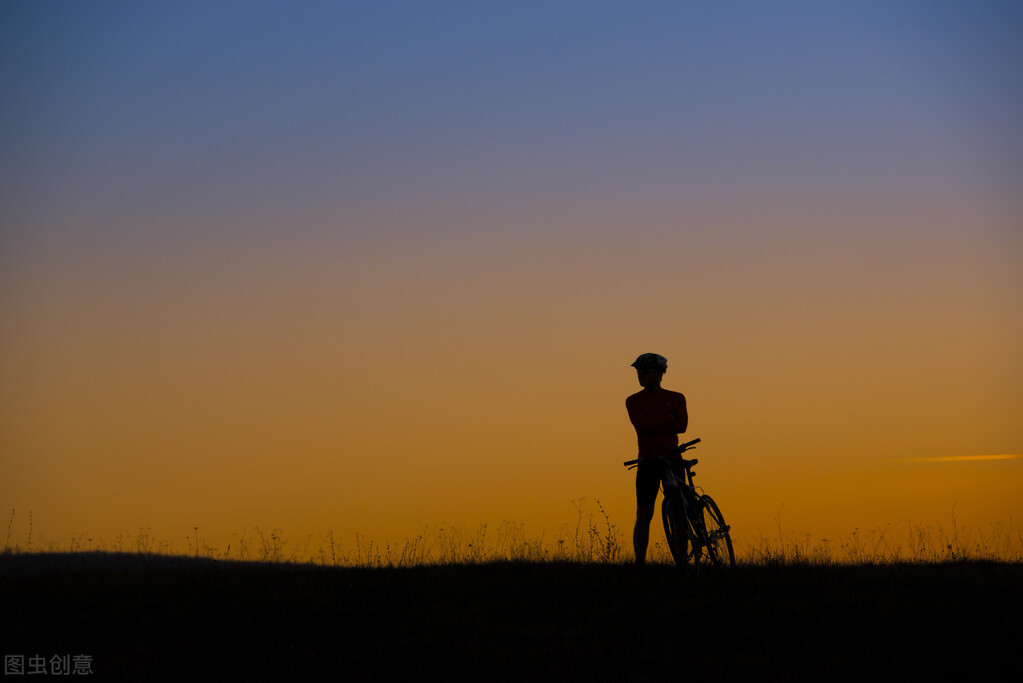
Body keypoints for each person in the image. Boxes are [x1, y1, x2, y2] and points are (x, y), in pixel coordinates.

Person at [625, 352, 688, 566]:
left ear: (660, 374)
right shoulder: (633, 401)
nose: (641, 376)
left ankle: (682, 559)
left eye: (646, 372)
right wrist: (666, 419)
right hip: (647, 462)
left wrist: (655, 422)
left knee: (679, 509)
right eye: (639, 372)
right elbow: (641, 425)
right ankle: (639, 562)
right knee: (644, 512)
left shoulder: (676, 397)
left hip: (673, 460)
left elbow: (681, 426)